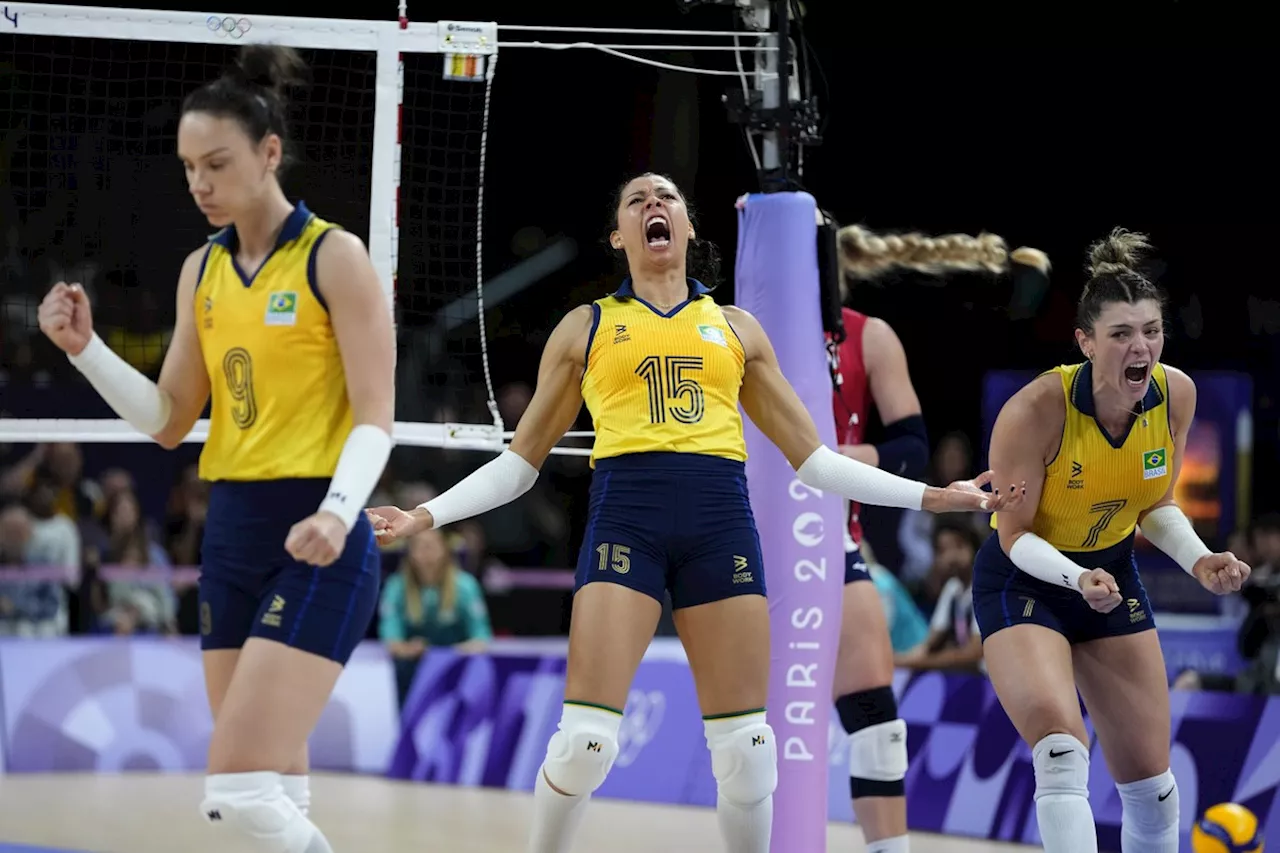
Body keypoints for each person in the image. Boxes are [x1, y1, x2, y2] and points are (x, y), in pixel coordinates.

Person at [368, 172, 1021, 853]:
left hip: (720, 529)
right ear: (619, 236)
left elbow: (817, 461)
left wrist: (935, 495)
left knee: (748, 751)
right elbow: (520, 462)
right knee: (584, 743)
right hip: (627, 523)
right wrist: (425, 515)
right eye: (636, 199)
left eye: (668, 197)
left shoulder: (738, 328)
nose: (655, 202)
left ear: (687, 228)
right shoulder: (586, 326)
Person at [36, 45, 394, 853]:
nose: (199, 183)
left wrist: (339, 515)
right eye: (189, 166)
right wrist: (85, 350)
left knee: (233, 791)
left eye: (217, 164)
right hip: (230, 530)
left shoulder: (333, 256)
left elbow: (378, 414)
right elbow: (168, 419)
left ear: (269, 154)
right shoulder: (201, 269)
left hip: (317, 528)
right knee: (272, 792)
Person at [976, 228, 1250, 853]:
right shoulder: (1035, 409)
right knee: (1063, 754)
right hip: (1027, 583)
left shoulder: (1175, 394)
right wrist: (1076, 579)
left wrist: (1200, 559)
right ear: (1085, 341)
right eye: (1121, 333)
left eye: (1151, 330)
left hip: (1111, 576)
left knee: (1155, 791)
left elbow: (1155, 503)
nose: (1141, 346)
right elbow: (1013, 533)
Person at [828, 221, 1049, 853]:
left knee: (879, 729)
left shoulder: (868, 337)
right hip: (747, 552)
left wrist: (834, 455)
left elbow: (908, 450)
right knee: (746, 741)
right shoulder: (730, 331)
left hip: (837, 548)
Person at [379, 527, 493, 706]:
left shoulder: (465, 586)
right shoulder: (397, 586)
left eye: (431, 545)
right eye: (420, 546)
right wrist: (407, 649)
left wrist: (450, 653)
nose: (426, 552)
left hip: (456, 668)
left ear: (444, 550)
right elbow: (390, 635)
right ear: (411, 553)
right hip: (413, 670)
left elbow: (481, 636)